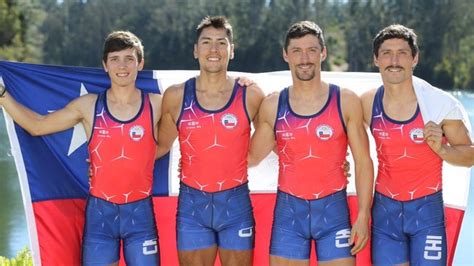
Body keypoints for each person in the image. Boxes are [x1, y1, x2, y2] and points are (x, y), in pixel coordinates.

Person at [0, 31, 161, 265]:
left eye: (129, 58)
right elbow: (37, 126)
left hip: (140, 215)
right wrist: (2, 95)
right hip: (100, 215)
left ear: (140, 63)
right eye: (115, 59)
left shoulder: (157, 103)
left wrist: (236, 84)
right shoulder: (88, 105)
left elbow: (198, 106)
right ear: (105, 65)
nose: (122, 65)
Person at [248, 21, 374, 266]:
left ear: (323, 52)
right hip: (289, 213)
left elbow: (363, 161)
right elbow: (251, 158)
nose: (304, 58)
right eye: (296, 50)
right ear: (286, 55)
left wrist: (362, 214)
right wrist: (245, 94)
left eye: (312, 50)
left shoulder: (345, 101)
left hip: (333, 212)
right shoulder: (274, 105)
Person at [156, 16, 264, 265]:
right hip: (193, 205)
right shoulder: (176, 96)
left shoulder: (251, 94)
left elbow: (276, 144)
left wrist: (330, 163)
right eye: (206, 42)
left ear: (232, 50)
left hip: (235, 204)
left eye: (221, 43)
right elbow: (160, 146)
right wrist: (106, 162)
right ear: (196, 50)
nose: (213, 50)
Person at [361, 24, 472, 265]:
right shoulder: (367, 103)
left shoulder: (439, 103)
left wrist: (442, 149)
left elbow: (470, 155)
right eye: (387, 53)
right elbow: (342, 141)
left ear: (415, 58)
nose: (394, 60)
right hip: (385, 211)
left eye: (402, 53)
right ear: (376, 59)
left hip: (426, 211)